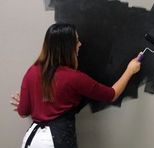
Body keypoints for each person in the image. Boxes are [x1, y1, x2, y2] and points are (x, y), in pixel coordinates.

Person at [10, 23, 141, 148]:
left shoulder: (32, 71)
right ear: (67, 47)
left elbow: (23, 112)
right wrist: (130, 70)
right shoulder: (74, 78)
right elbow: (112, 94)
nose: (80, 44)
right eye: (77, 41)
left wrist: (28, 103)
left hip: (31, 140)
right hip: (56, 141)